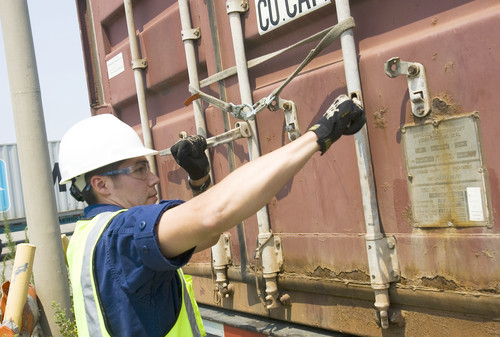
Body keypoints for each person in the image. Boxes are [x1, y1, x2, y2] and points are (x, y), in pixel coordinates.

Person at [59, 94, 365, 337]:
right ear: (100, 184)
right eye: (139, 169)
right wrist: (317, 135)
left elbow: (206, 236)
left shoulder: (88, 236)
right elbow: (211, 216)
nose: (153, 179)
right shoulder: (121, 234)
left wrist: (200, 180)